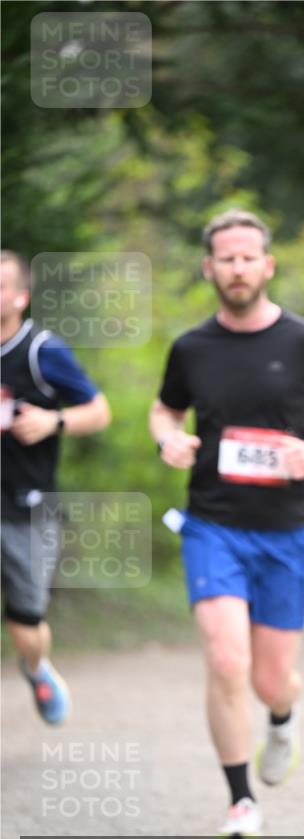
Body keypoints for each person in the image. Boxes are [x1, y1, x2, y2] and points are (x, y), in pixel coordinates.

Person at [150, 208, 304, 839]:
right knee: (225, 660)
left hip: (286, 531)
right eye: (227, 258)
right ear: (209, 268)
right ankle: (241, 801)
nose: (237, 268)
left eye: (248, 257)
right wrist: (169, 439)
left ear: (267, 266)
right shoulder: (192, 348)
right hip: (212, 526)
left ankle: (283, 714)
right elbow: (165, 411)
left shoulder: (303, 342)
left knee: (270, 679)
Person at [1, 250, 111, 724]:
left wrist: (53, 421)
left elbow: (99, 412)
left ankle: (36, 667)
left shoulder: (41, 351)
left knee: (26, 622)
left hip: (25, 507)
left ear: (21, 297)